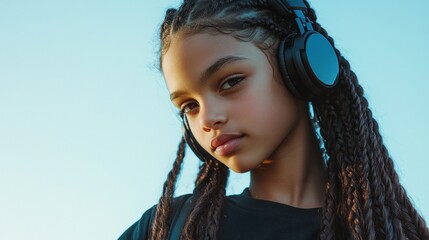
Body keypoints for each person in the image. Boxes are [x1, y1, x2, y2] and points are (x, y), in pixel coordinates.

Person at [119, 0, 429, 239]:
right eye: (189, 105)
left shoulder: (388, 232)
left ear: (301, 69)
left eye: (230, 82)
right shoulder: (168, 227)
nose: (208, 119)